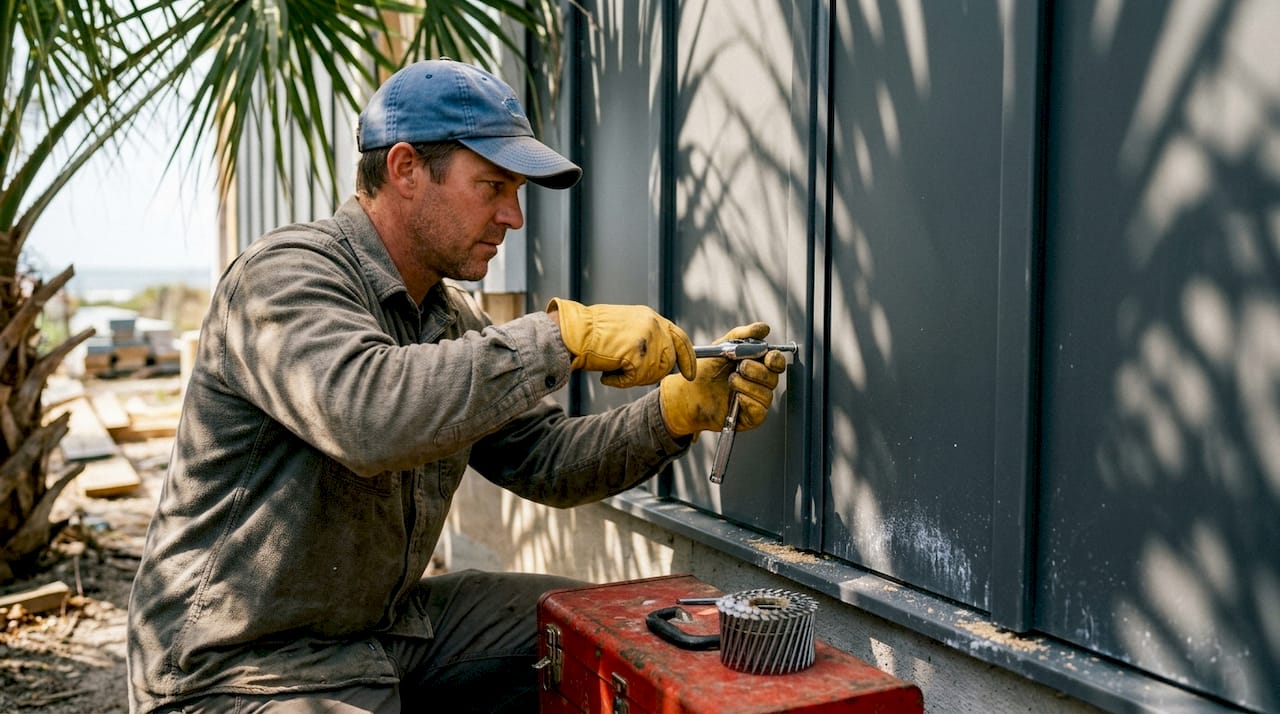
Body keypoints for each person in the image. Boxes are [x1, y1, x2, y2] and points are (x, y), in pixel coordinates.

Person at [126, 58, 788, 713]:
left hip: (383, 631)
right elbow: (367, 414)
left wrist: (674, 413)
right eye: (493, 186)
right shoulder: (284, 277)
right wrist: (558, 338)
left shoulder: (446, 317)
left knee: (597, 635)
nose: (514, 217)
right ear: (407, 169)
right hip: (236, 668)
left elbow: (546, 462)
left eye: (516, 193)